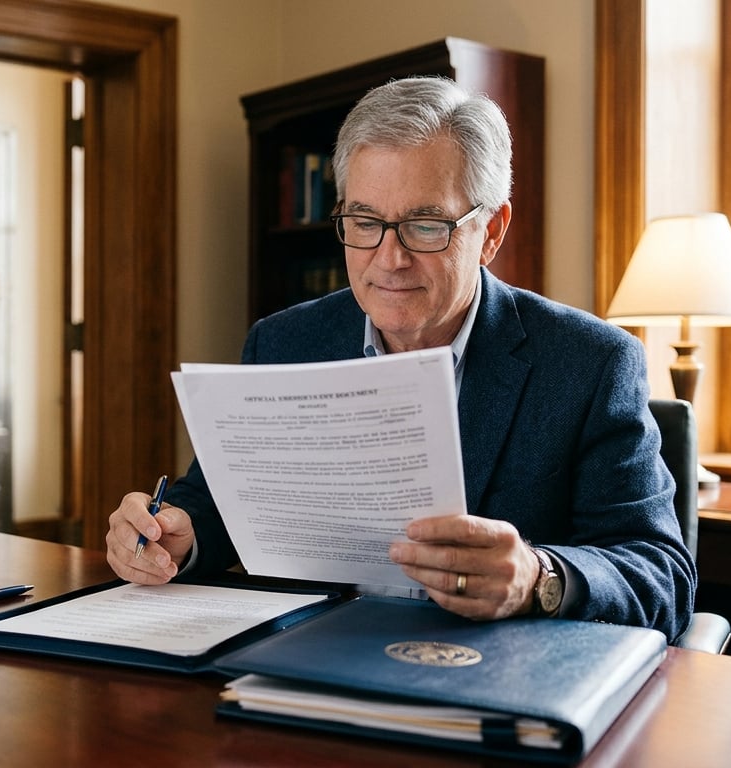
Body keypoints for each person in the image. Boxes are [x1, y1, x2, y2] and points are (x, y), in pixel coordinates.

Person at [105, 76, 695, 642]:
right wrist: (173, 538)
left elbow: (661, 576)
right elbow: (212, 508)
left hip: (484, 678)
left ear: (492, 230)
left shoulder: (589, 363)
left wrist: (537, 577)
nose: (389, 259)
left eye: (425, 225)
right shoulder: (283, 344)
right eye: (364, 222)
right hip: (304, 666)